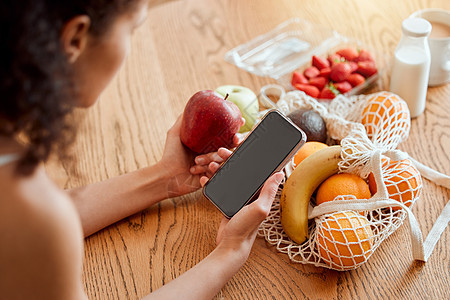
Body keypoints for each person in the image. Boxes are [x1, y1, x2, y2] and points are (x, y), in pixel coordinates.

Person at [0, 0, 284, 299]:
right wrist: (230, 252)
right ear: (75, 38)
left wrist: (165, 177)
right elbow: (35, 227)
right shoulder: (34, 214)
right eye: (132, 29)